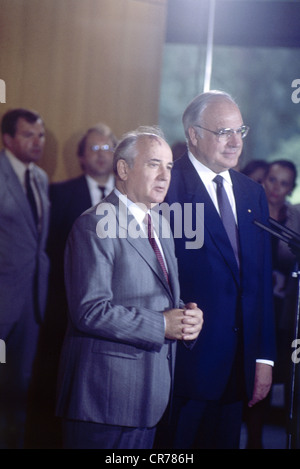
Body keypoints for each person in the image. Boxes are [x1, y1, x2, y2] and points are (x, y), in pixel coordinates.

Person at [55, 126, 204, 449]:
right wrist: (162, 324)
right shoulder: (94, 224)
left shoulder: (162, 225)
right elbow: (89, 311)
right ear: (123, 169)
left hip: (150, 397)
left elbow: (163, 298)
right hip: (104, 398)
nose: (165, 175)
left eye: (169, 166)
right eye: (154, 164)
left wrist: (186, 319)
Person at [165, 90, 276, 449]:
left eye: (239, 131)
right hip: (183, 367)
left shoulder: (252, 193)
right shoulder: (167, 187)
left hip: (238, 369)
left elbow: (258, 284)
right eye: (223, 132)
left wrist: (263, 357)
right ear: (193, 135)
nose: (234, 142)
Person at [26, 123, 118, 448]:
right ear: (81, 157)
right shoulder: (60, 193)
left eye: (107, 148)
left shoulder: (130, 199)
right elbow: (47, 253)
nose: (101, 154)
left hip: (113, 312)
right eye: (93, 148)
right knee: (54, 384)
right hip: (62, 307)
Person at [0, 108, 50, 448]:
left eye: (41, 135)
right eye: (28, 135)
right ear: (7, 139)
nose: (37, 142)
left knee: (21, 386)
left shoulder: (40, 178)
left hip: (32, 302)